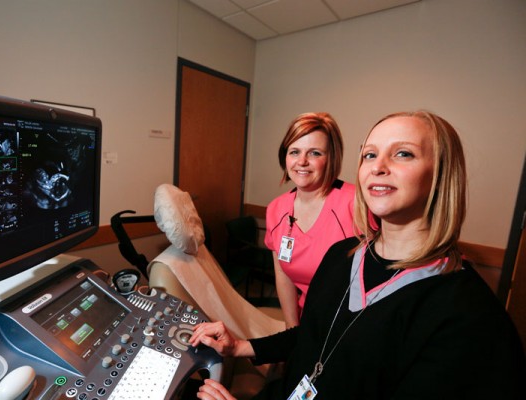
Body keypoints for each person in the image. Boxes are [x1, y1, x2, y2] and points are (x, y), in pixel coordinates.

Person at [192, 111, 526, 399]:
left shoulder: (468, 315)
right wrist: (241, 347)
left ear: (441, 175)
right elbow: (314, 334)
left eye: (403, 154)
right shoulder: (342, 257)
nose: (378, 167)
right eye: (369, 155)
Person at [265, 112, 355, 328]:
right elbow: (284, 276)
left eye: (314, 153)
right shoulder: (276, 209)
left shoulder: (356, 204)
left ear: (331, 157)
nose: (302, 162)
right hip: (310, 318)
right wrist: (292, 329)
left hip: (353, 322)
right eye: (294, 152)